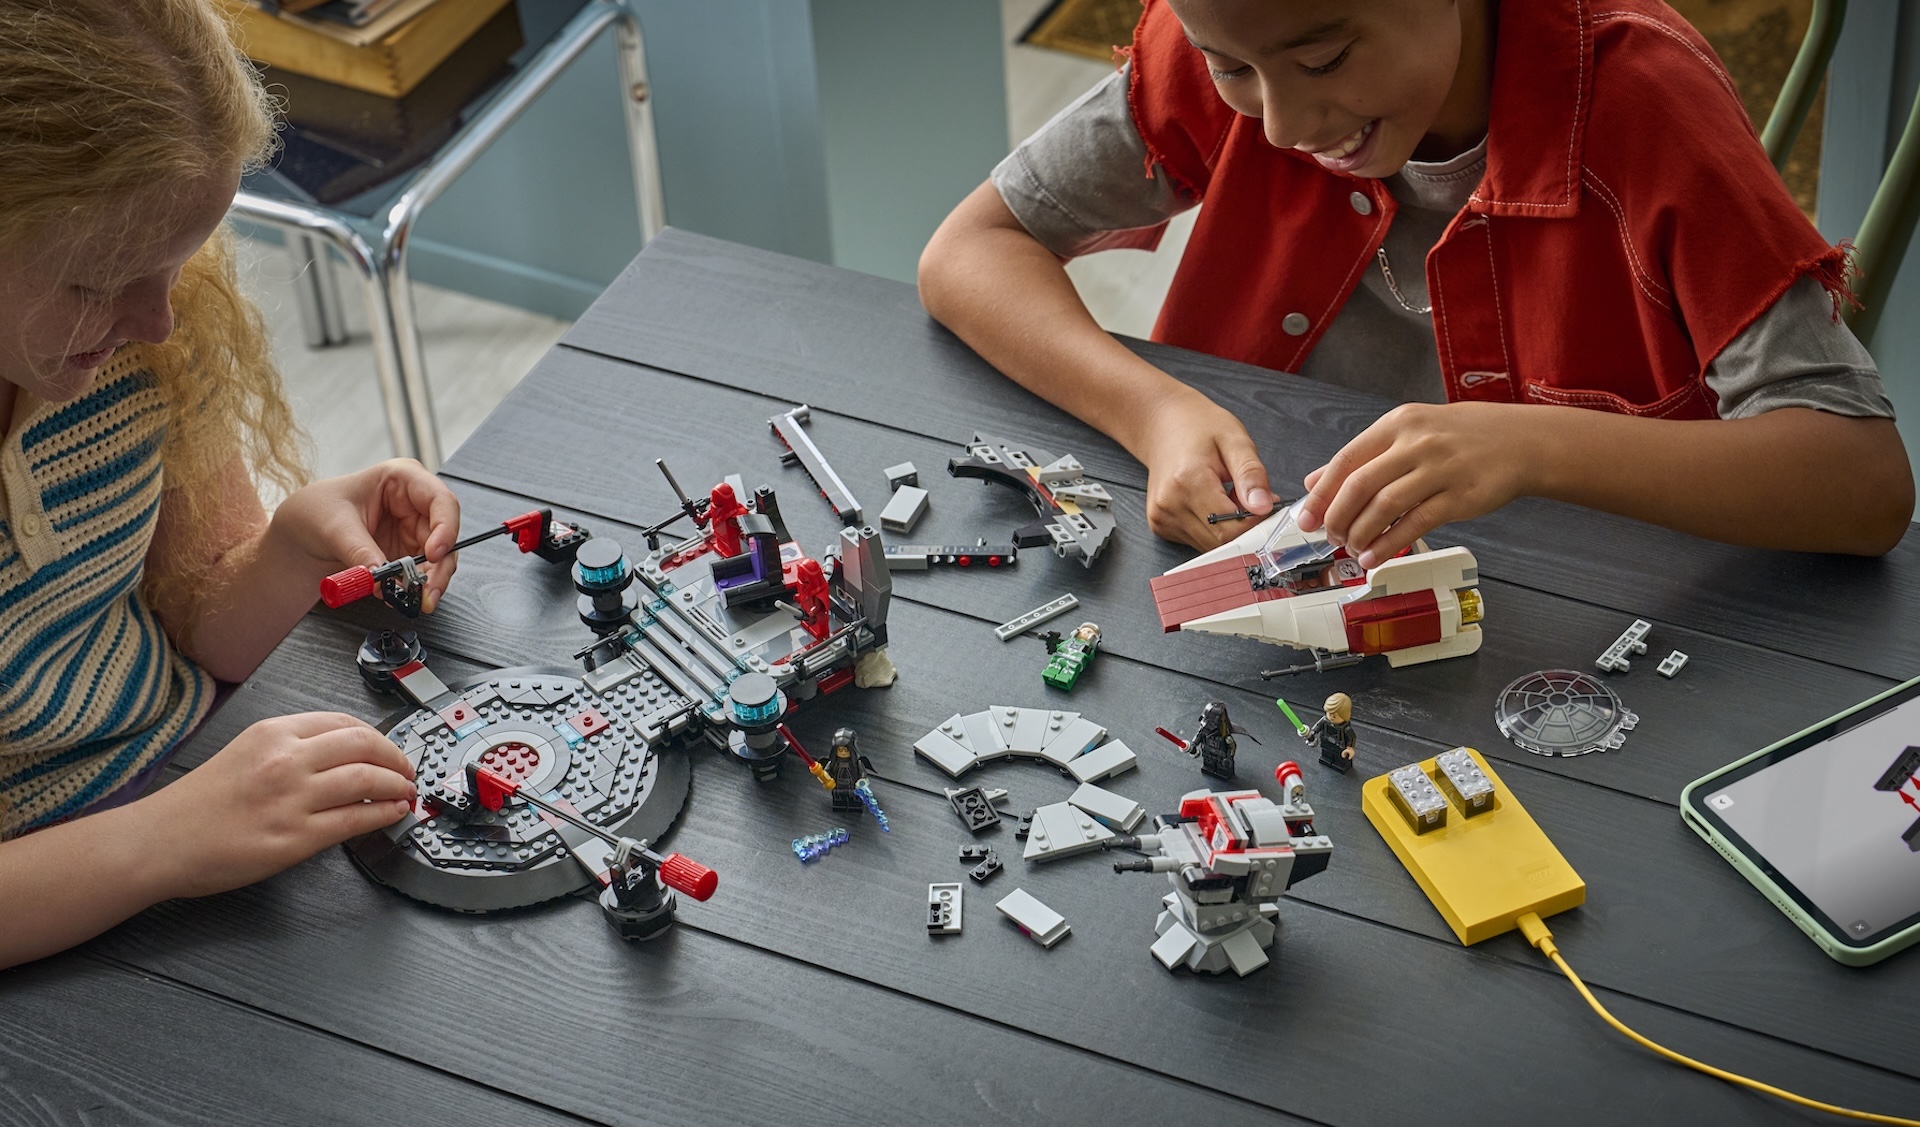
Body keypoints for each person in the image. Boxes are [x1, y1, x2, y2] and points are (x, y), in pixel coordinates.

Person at [919, 0, 1914, 559]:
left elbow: (1863, 482)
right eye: (1230, 71)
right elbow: (969, 251)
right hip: (1297, 571)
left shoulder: (1647, 104)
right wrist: (1157, 415)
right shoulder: (1244, 25)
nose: (1283, 126)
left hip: (1596, 614)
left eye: (1324, 60)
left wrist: (1532, 446)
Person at [0, 0, 462, 968]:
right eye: (99, 281)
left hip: (196, 785)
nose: (159, 321)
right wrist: (163, 839)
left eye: (175, 263)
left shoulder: (136, 328)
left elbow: (197, 613)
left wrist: (289, 546)